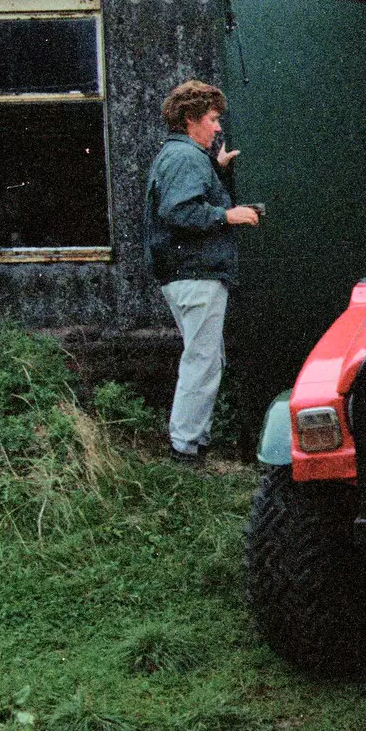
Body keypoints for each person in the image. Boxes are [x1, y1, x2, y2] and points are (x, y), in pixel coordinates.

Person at [144, 79, 262, 465]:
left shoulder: (187, 157)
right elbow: (178, 211)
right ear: (191, 120)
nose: (217, 127)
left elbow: (188, 200)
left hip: (189, 273)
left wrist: (217, 168)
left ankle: (191, 443)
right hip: (195, 274)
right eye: (211, 119)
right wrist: (228, 214)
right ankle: (185, 450)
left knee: (205, 358)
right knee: (203, 361)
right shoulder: (185, 158)